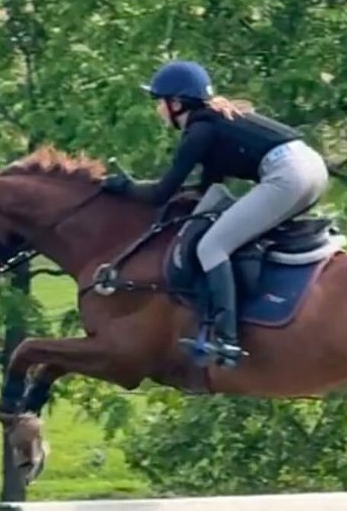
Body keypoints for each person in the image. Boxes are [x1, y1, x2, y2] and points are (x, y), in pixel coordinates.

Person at [101, 60, 329, 365]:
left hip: (288, 175)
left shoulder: (199, 132)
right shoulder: (215, 122)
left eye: (159, 102)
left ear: (177, 103)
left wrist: (121, 187)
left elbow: (159, 193)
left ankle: (226, 339)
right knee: (236, 233)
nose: (157, 110)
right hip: (312, 167)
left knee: (212, 245)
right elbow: (209, 186)